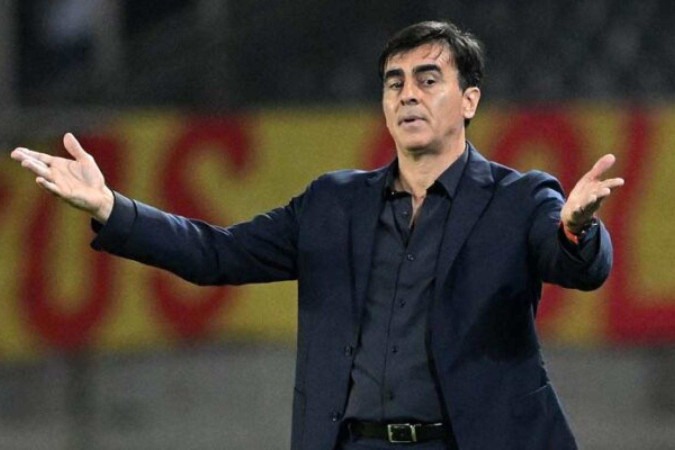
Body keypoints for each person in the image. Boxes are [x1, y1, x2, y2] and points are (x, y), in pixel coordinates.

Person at [11, 20, 623, 450]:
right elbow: (215, 255)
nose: (408, 93)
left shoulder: (519, 198)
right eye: (394, 81)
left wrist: (577, 226)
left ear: (469, 99)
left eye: (428, 79)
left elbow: (577, 265)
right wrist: (111, 206)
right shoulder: (333, 203)